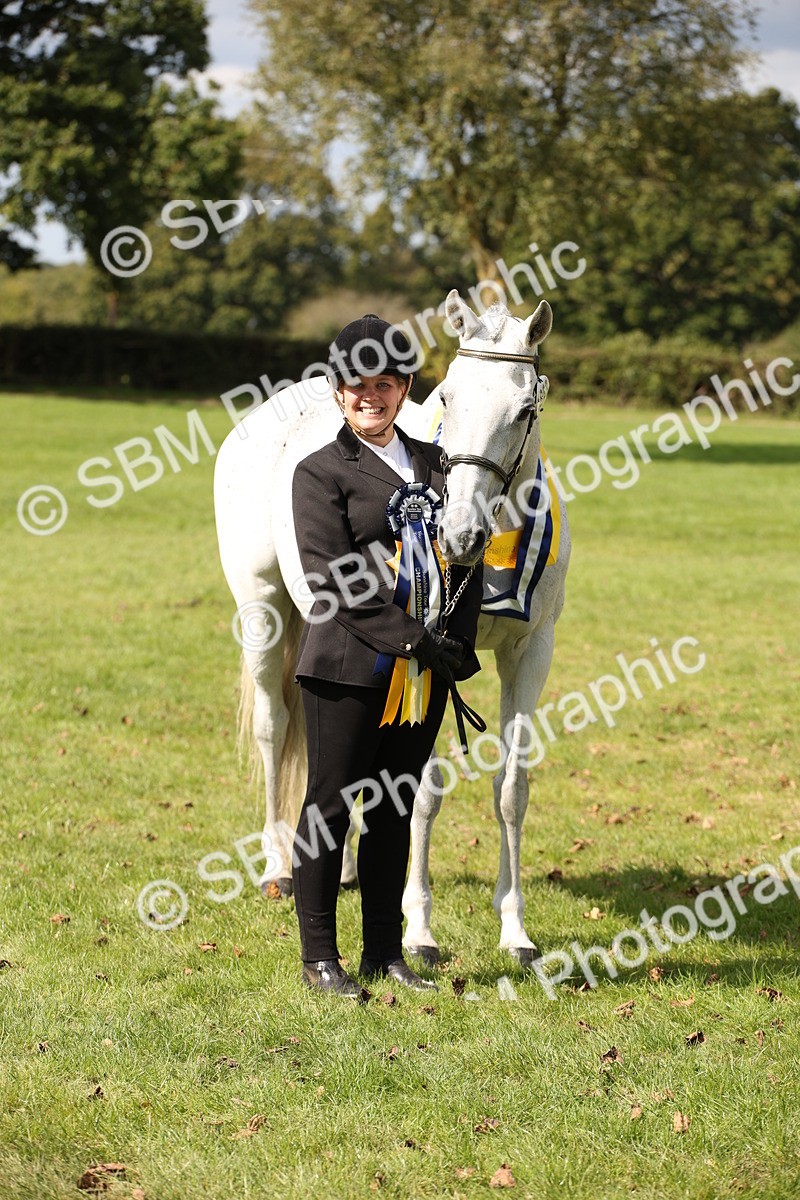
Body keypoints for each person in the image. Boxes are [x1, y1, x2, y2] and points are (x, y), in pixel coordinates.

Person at [290, 313, 483, 997]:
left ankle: (383, 953)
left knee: (396, 809)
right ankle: (320, 960)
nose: (370, 396)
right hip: (346, 667)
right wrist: (413, 638)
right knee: (331, 810)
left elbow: (468, 546)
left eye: (385, 383)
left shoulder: (437, 464)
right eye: (356, 385)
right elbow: (331, 578)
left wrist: (457, 635)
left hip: (423, 677)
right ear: (337, 391)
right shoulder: (318, 474)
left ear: (405, 388)